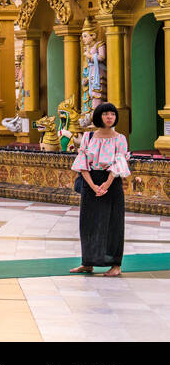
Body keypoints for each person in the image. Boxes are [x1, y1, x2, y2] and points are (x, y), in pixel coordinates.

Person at [70, 102, 129, 277]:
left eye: (112, 114)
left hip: (112, 181)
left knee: (113, 224)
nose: (110, 117)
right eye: (106, 114)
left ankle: (115, 265)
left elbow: (120, 162)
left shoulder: (120, 138)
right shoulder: (88, 137)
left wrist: (107, 184)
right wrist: (93, 185)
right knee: (88, 223)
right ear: (99, 116)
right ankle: (87, 263)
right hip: (91, 183)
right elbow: (83, 164)